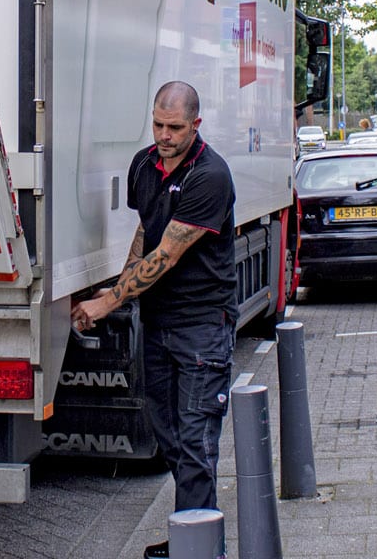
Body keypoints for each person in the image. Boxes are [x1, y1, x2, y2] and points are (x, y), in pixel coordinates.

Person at [72, 82, 236, 557]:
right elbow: (147, 230)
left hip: (202, 326)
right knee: (167, 435)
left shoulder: (211, 175)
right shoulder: (145, 164)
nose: (164, 136)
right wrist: (121, 286)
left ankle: (200, 548)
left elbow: (168, 252)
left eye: (175, 128)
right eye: (158, 125)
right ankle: (192, 535)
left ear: (196, 126)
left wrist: (108, 303)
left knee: (196, 439)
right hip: (158, 322)